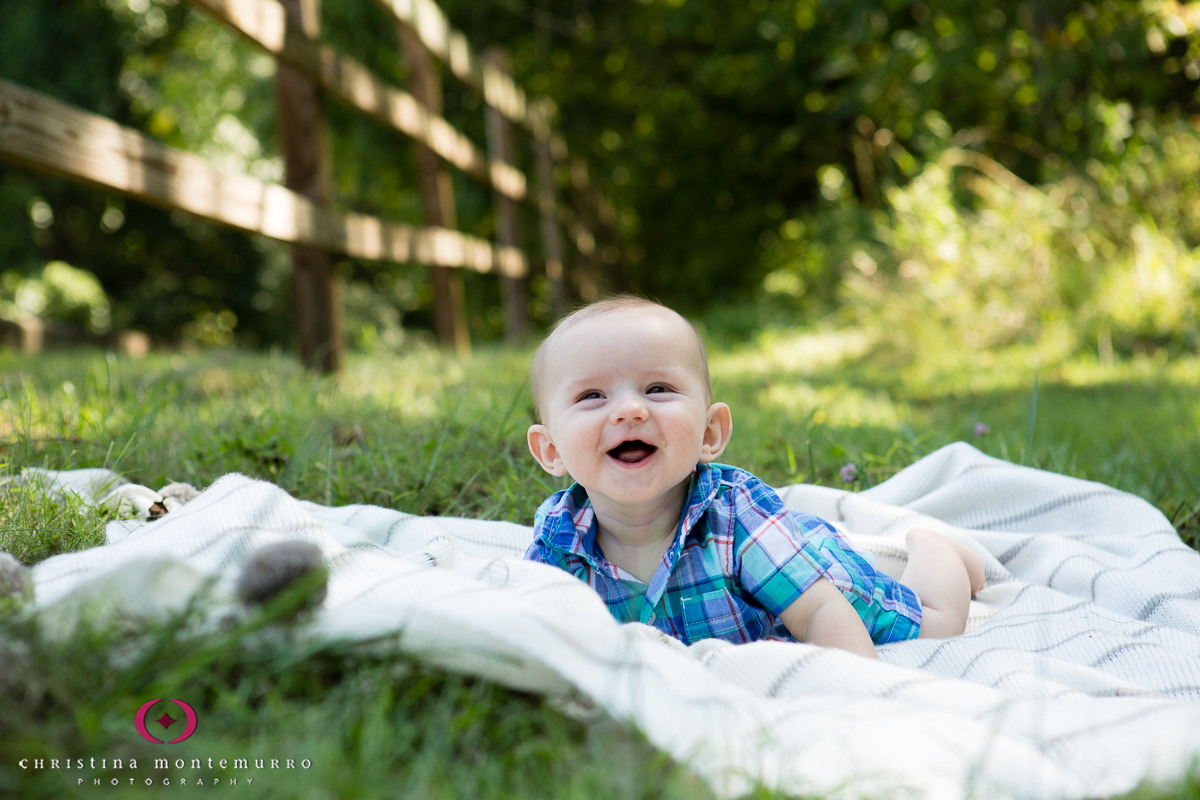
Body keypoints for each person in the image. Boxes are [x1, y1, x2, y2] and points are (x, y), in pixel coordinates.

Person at [524, 296, 985, 659]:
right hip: (782, 544)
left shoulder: (735, 517)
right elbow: (530, 628)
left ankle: (935, 546)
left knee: (937, 625)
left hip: (819, 581)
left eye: (657, 389)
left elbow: (822, 612)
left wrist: (855, 696)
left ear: (710, 432)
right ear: (550, 450)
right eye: (592, 395)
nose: (629, 409)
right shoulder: (557, 539)